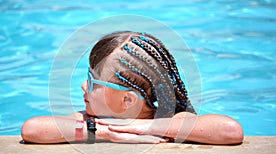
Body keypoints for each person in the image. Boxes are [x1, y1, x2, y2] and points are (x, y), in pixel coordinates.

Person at [21, 31, 244, 145]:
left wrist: (143, 127)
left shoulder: (168, 120)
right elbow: (32, 129)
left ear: (127, 100)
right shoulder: (95, 121)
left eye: (92, 82)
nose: (82, 86)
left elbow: (230, 130)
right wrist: (107, 133)